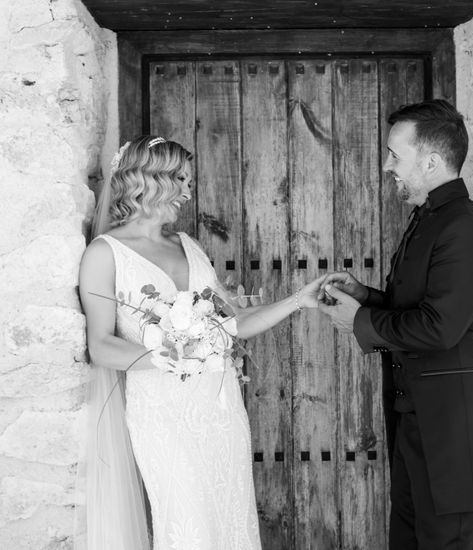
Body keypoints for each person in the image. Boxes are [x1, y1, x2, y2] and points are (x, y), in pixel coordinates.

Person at [75, 135, 325, 550]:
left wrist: (299, 301)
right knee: (187, 524)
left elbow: (233, 323)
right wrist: (167, 356)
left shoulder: (188, 245)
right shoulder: (106, 253)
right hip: (163, 413)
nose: (189, 192)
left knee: (230, 517)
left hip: (221, 406)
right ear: (148, 180)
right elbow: (101, 346)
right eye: (181, 179)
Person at [319, 100, 473, 550]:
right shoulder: (429, 218)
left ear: (430, 161)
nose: (388, 166)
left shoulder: (464, 227)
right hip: (417, 421)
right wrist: (364, 296)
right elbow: (418, 307)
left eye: (394, 155)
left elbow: (439, 328)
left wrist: (360, 320)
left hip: (454, 428)